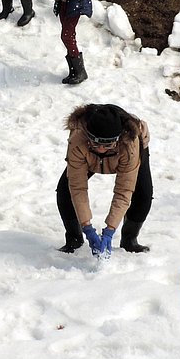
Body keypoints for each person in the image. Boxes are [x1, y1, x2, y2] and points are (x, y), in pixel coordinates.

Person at [56, 103, 152, 255]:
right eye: (96, 143)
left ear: (117, 139)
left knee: (143, 194)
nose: (101, 149)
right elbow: (77, 187)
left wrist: (110, 230)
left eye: (107, 144)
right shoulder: (78, 139)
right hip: (88, 157)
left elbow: (124, 191)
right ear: (88, 136)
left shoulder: (130, 145)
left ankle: (129, 240)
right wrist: (87, 227)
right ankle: (74, 239)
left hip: (124, 154)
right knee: (65, 190)